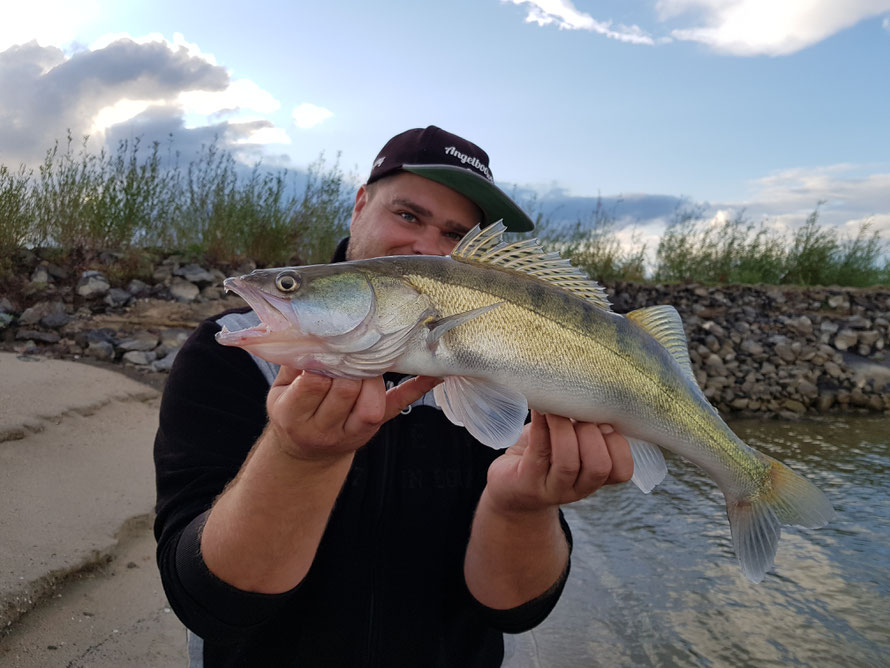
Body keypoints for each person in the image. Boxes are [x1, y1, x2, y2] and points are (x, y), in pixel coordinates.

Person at [154, 125, 633, 667]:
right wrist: (299, 457)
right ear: (360, 205)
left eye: (456, 235)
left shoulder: (508, 369)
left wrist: (521, 506)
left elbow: (513, 611)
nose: (427, 246)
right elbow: (207, 602)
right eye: (408, 215)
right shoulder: (230, 358)